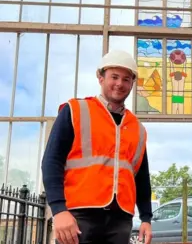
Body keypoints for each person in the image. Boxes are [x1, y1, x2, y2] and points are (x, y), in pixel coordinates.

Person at [41, 50, 153, 244]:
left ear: (132, 84)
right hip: (78, 216)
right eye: (114, 77)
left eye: (126, 79)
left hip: (120, 220)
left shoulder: (138, 129)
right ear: (100, 78)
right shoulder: (75, 111)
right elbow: (52, 161)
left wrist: (146, 218)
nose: (120, 83)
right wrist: (59, 210)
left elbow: (142, 178)